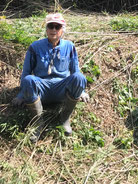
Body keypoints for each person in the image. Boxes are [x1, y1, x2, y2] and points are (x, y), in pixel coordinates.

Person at [14, 13, 87, 142]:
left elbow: (75, 71)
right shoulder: (35, 47)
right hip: (42, 88)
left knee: (79, 77)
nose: (53, 30)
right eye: (50, 26)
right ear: (46, 29)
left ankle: (64, 119)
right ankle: (38, 122)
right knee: (29, 80)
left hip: (61, 88)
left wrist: (81, 91)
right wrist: (21, 95)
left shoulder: (69, 47)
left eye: (57, 27)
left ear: (62, 30)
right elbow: (25, 73)